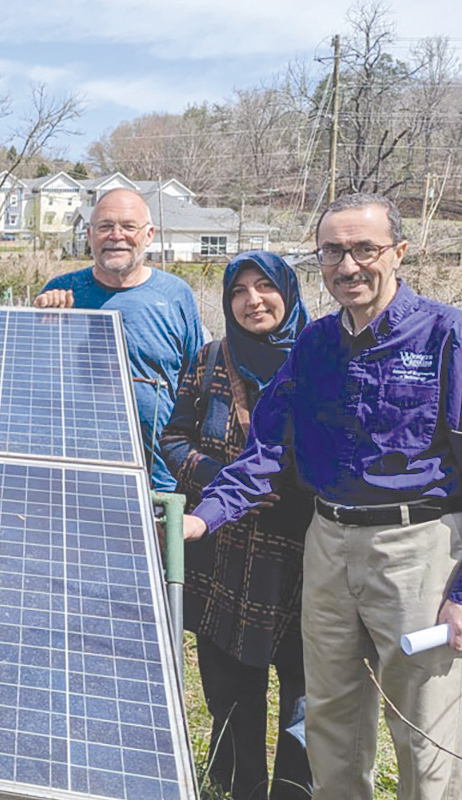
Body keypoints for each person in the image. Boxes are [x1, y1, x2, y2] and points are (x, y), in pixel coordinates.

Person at [184, 193, 462, 800]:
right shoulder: (314, 345)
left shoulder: (446, 335)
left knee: (422, 728)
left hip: (417, 549)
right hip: (328, 544)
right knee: (332, 722)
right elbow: (265, 451)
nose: (348, 264)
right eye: (333, 251)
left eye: (365, 248)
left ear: (399, 253)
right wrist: (199, 522)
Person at [160, 251, 312, 800]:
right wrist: (225, 480)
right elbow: (174, 439)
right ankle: (236, 786)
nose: (253, 301)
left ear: (289, 293)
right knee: (228, 685)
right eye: (239, 291)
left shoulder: (321, 358)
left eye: (265, 287)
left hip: (299, 556)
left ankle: (295, 790)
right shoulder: (208, 361)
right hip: (221, 550)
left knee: (305, 686)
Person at [35, 188, 204, 490]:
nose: (116, 235)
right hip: (74, 471)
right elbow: (28, 382)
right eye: (105, 226)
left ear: (149, 234)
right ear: (89, 235)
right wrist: (42, 322)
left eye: (128, 226)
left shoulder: (176, 295)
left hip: (158, 479)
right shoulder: (62, 293)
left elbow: (194, 386)